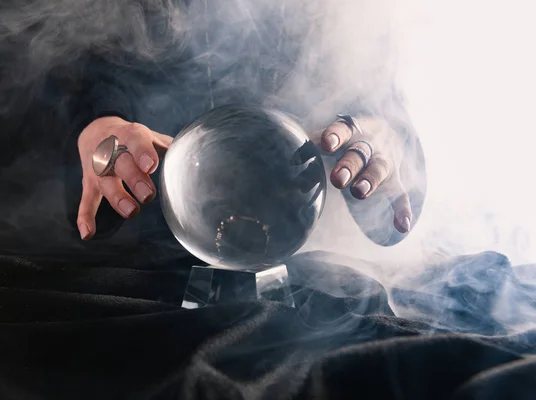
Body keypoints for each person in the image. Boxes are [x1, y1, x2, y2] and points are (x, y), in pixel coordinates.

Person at [63, 0, 426, 257]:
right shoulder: (127, 15)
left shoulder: (345, 19)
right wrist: (100, 130)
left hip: (301, 268)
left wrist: (385, 146)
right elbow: (99, 91)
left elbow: (391, 221)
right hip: (156, 274)